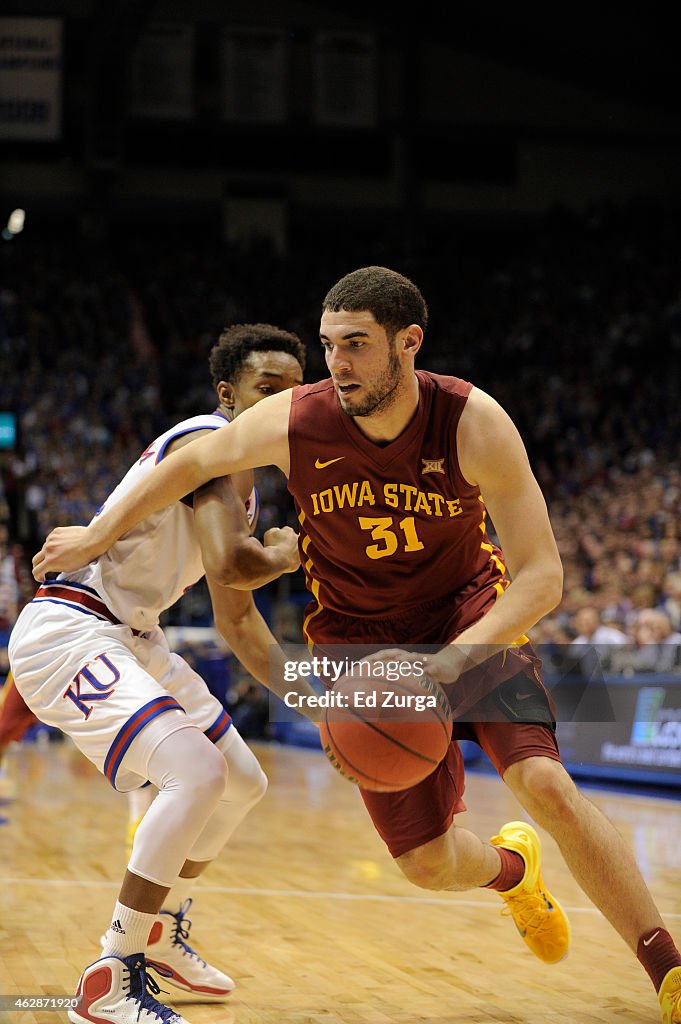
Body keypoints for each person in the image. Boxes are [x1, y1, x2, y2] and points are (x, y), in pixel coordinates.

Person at [29, 268, 681, 1023]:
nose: (337, 363)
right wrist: (96, 534)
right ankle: (510, 871)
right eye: (331, 344)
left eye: (357, 346)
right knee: (427, 864)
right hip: (358, 648)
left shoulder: (471, 420)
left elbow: (541, 578)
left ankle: (665, 969)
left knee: (543, 785)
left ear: (409, 344)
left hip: (460, 617)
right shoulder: (298, 420)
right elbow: (188, 463)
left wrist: (447, 665)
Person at [12, 323, 321, 1024]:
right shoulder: (208, 440)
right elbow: (237, 565)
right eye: (267, 390)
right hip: (72, 628)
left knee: (241, 781)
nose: (284, 406)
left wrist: (319, 705)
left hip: (133, 637)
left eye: (296, 395)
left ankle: (158, 937)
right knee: (197, 774)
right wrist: (282, 556)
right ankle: (111, 974)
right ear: (228, 395)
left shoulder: (240, 492)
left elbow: (239, 624)